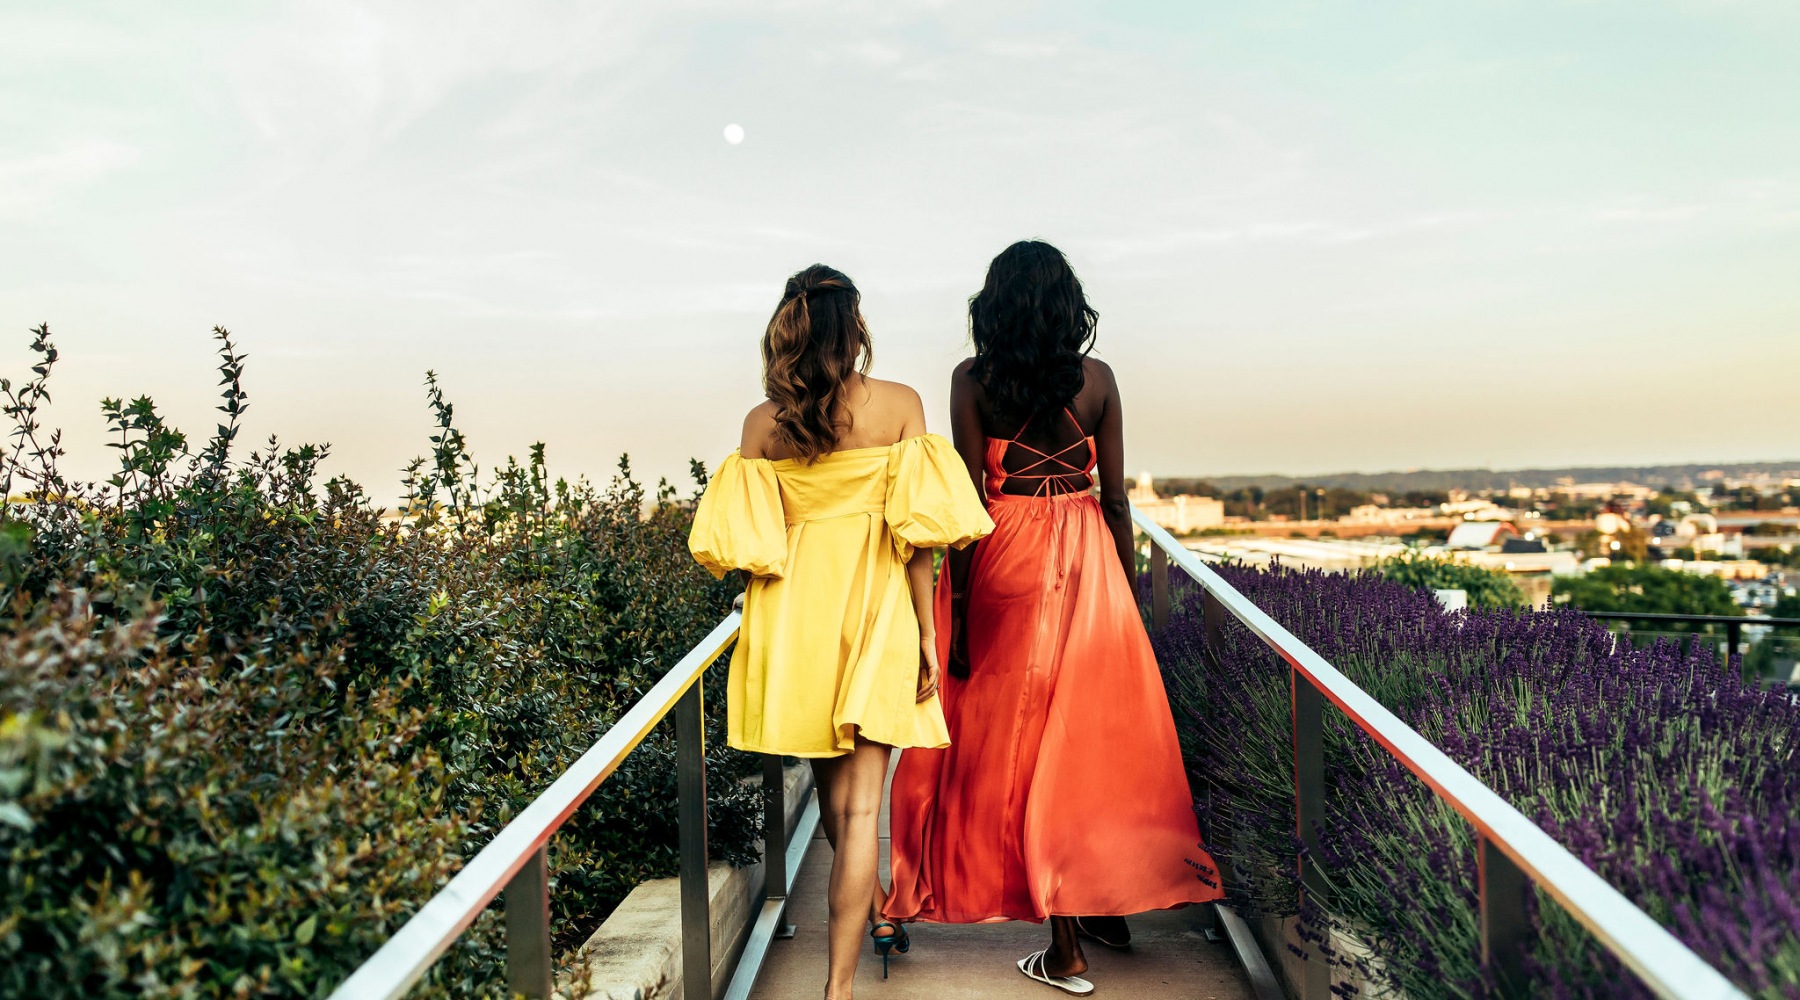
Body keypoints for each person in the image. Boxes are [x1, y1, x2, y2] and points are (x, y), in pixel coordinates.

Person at [884, 241, 1222, 996]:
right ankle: (1092, 903)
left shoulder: (971, 381)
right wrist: (1131, 597)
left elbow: (969, 503)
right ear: (1069, 304)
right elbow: (1118, 502)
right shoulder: (1098, 381)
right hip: (1088, 560)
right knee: (1089, 737)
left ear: (993, 304)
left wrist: (961, 615)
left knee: (1015, 735)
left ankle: (1068, 934)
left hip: (1005, 555)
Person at [689, 264, 991, 1000]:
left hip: (796, 622)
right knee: (861, 813)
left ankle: (872, 924)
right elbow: (917, 536)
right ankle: (839, 989)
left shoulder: (763, 425)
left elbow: (750, 546)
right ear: (854, 326)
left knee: (836, 803)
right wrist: (926, 630)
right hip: (877, 610)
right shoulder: (899, 407)